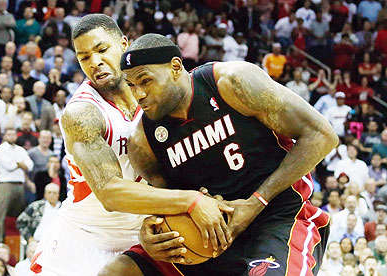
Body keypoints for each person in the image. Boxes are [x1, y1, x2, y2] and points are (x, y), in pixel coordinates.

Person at [100, 33, 338, 276]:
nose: (138, 94)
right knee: (119, 271)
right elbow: (165, 204)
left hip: (278, 216)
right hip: (209, 235)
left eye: (145, 81)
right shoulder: (143, 142)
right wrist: (150, 233)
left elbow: (322, 136)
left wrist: (256, 202)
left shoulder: (231, 83)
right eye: (130, 85)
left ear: (175, 67)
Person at [31, 14, 232, 276]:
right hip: (86, 240)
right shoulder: (82, 113)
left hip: (148, 237)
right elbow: (110, 193)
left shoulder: (155, 96)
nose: (95, 62)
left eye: (102, 50)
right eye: (84, 58)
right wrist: (190, 201)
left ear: (124, 44)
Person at [0, 128, 33, 244]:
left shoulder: (21, 150)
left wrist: (18, 163)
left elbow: (30, 165)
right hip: (5, 184)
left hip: (20, 185)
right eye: (9, 134)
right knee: (1, 215)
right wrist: (20, 164)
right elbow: (9, 166)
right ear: (5, 136)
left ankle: (18, 241)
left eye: (13, 134)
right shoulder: (0, 150)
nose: (11, 136)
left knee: (19, 215)